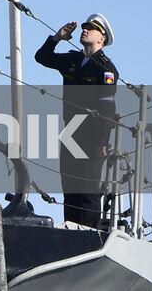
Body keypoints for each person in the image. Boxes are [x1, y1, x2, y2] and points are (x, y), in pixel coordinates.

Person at [33, 12, 119, 229]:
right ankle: (71, 230)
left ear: (102, 38)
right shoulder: (72, 60)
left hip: (92, 137)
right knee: (70, 186)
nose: (85, 29)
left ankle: (89, 233)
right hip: (70, 132)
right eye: (84, 26)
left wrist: (102, 142)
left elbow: (107, 107)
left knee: (87, 189)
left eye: (91, 28)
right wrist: (57, 38)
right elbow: (42, 57)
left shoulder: (106, 69)